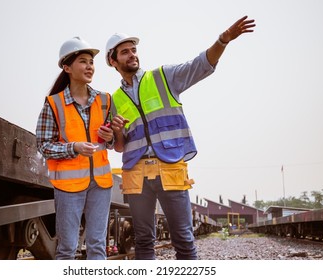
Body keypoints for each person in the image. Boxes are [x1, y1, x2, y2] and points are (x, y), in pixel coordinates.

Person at [106, 16, 255, 260]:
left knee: (184, 239)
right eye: (124, 52)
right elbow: (119, 146)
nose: (132, 54)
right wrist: (116, 130)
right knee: (143, 241)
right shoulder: (114, 101)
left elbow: (199, 65)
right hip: (136, 175)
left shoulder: (163, 77)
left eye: (133, 50)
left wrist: (223, 40)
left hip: (170, 167)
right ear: (113, 61)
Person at [36, 36, 115, 260]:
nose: (89, 66)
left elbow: (110, 142)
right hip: (68, 186)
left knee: (98, 246)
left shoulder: (105, 100)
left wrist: (110, 136)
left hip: (101, 184)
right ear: (67, 67)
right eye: (83, 61)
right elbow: (43, 145)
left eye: (91, 62)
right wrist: (74, 148)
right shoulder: (53, 103)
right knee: (67, 249)